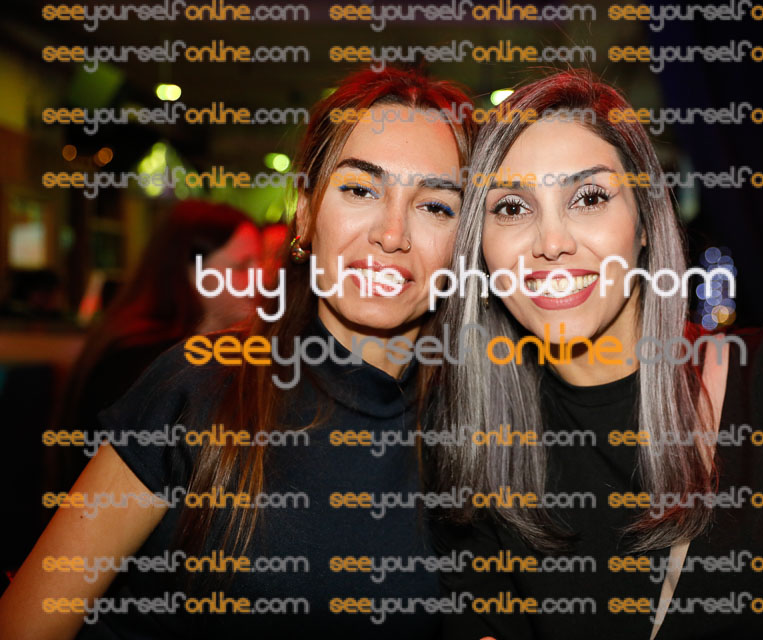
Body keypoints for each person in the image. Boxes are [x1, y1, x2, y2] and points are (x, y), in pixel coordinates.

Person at [426, 70, 763, 639]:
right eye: (512, 207)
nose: (552, 242)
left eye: (589, 198)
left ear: (645, 223)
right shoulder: (473, 437)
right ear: (480, 249)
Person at [0, 66, 474, 639]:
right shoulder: (202, 384)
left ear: (466, 243)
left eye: (436, 206)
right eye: (359, 189)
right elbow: (27, 625)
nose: (392, 233)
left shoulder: (479, 429)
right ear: (306, 213)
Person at [54, 200, 259, 491]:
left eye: (259, 263)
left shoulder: (153, 344)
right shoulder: (144, 360)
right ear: (192, 272)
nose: (260, 279)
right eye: (242, 266)